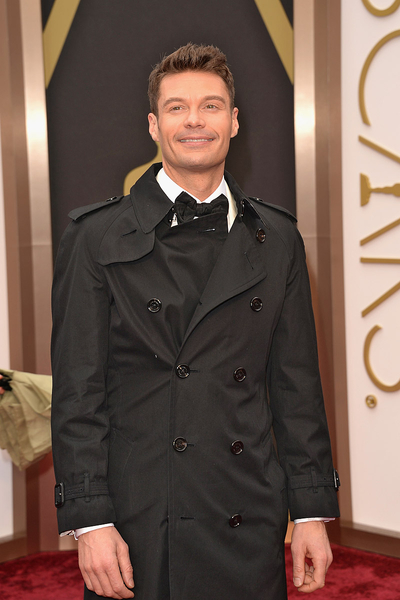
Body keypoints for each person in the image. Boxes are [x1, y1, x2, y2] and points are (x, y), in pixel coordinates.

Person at [51, 43, 340, 600]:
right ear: (154, 125)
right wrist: (90, 520)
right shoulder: (96, 236)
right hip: (138, 514)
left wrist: (310, 512)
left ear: (234, 121)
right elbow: (77, 392)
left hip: (246, 507)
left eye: (211, 106)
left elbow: (296, 386)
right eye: (177, 107)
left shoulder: (278, 237)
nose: (194, 121)